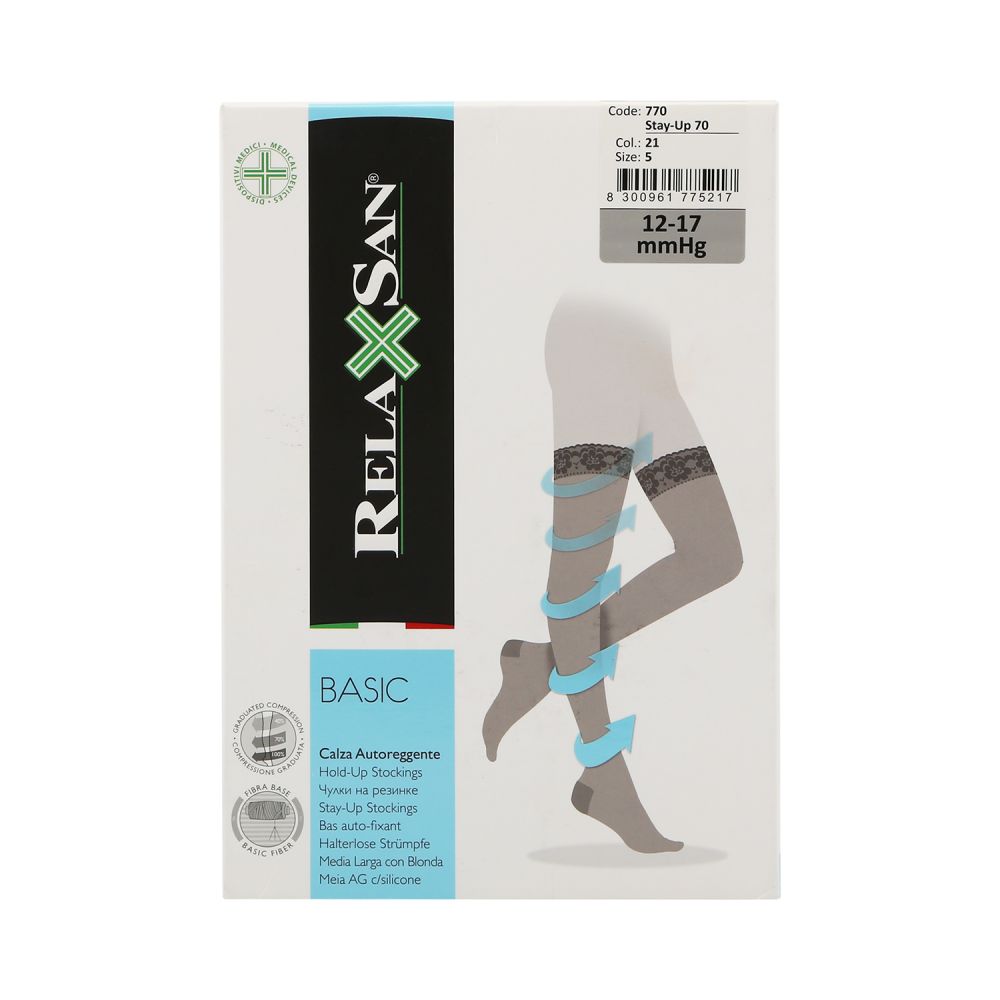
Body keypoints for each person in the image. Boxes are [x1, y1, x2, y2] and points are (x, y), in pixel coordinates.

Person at [483, 292, 743, 853]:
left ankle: (540, 662)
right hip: (596, 345)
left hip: (652, 362)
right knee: (581, 574)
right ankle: (603, 771)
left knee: (714, 554)